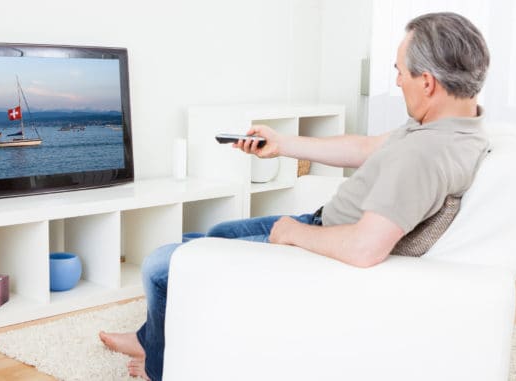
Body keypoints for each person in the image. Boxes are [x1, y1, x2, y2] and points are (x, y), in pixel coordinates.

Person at [99, 11, 490, 381]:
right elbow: (368, 147)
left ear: (428, 83)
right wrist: (282, 144)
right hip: (324, 223)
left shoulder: (424, 156)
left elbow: (365, 247)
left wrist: (290, 232)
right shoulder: (452, 125)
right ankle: (151, 338)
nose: (398, 81)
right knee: (217, 231)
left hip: (320, 248)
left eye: (400, 72)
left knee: (160, 267)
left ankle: (160, 367)